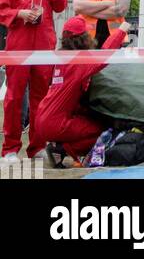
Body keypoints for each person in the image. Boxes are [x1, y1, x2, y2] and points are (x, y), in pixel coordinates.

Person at [0, 0, 67, 161]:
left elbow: (60, 7)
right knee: (13, 97)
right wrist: (19, 13)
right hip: (18, 46)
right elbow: (1, 10)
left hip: (44, 46)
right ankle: (10, 148)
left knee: (41, 98)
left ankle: (37, 146)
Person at [33, 17, 129, 167]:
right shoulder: (78, 62)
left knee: (84, 120)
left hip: (41, 117)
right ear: (83, 38)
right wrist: (121, 31)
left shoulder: (59, 58)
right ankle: (61, 149)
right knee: (101, 131)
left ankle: (58, 147)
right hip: (56, 122)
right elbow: (104, 55)